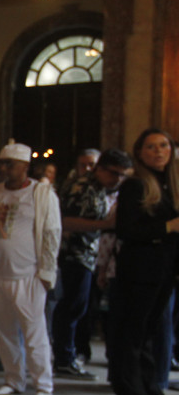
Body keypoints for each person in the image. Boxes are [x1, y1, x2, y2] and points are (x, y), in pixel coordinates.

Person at [0, 142, 61, 395]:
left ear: (24, 167)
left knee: (34, 332)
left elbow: (51, 233)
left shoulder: (41, 193)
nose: (4, 168)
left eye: (10, 164)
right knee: (4, 330)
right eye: (1, 163)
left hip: (28, 275)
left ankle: (43, 384)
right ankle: (13, 379)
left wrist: (46, 270)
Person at [108, 128, 179, 395]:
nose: (159, 151)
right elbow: (126, 229)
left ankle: (150, 387)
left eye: (163, 145)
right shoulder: (134, 185)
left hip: (165, 268)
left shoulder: (172, 184)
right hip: (139, 269)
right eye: (151, 147)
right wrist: (167, 227)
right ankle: (131, 394)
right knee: (131, 332)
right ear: (140, 153)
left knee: (151, 330)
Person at [52, 149, 130, 380]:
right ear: (100, 168)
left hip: (86, 255)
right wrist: (104, 223)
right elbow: (65, 221)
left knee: (79, 307)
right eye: (114, 173)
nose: (117, 179)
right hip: (74, 254)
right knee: (72, 306)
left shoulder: (98, 188)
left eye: (122, 175)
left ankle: (68, 356)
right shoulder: (82, 188)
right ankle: (64, 359)